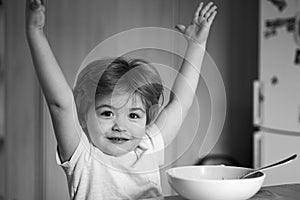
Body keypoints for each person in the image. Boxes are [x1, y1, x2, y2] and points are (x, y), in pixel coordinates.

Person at [25, 0, 217, 199]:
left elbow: (180, 103)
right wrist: (35, 30)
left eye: (134, 115)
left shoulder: (147, 146)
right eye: (107, 113)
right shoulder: (82, 156)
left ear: (146, 120)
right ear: (83, 117)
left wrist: (196, 45)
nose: (120, 126)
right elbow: (60, 104)